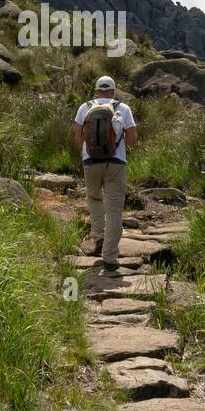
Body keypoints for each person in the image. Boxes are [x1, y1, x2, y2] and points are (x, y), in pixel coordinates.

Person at [72, 75, 138, 272]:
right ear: (114, 91)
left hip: (90, 162)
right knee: (115, 210)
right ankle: (110, 258)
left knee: (94, 198)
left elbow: (77, 139)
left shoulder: (85, 107)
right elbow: (132, 139)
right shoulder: (123, 108)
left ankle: (99, 238)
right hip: (116, 163)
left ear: (96, 91)